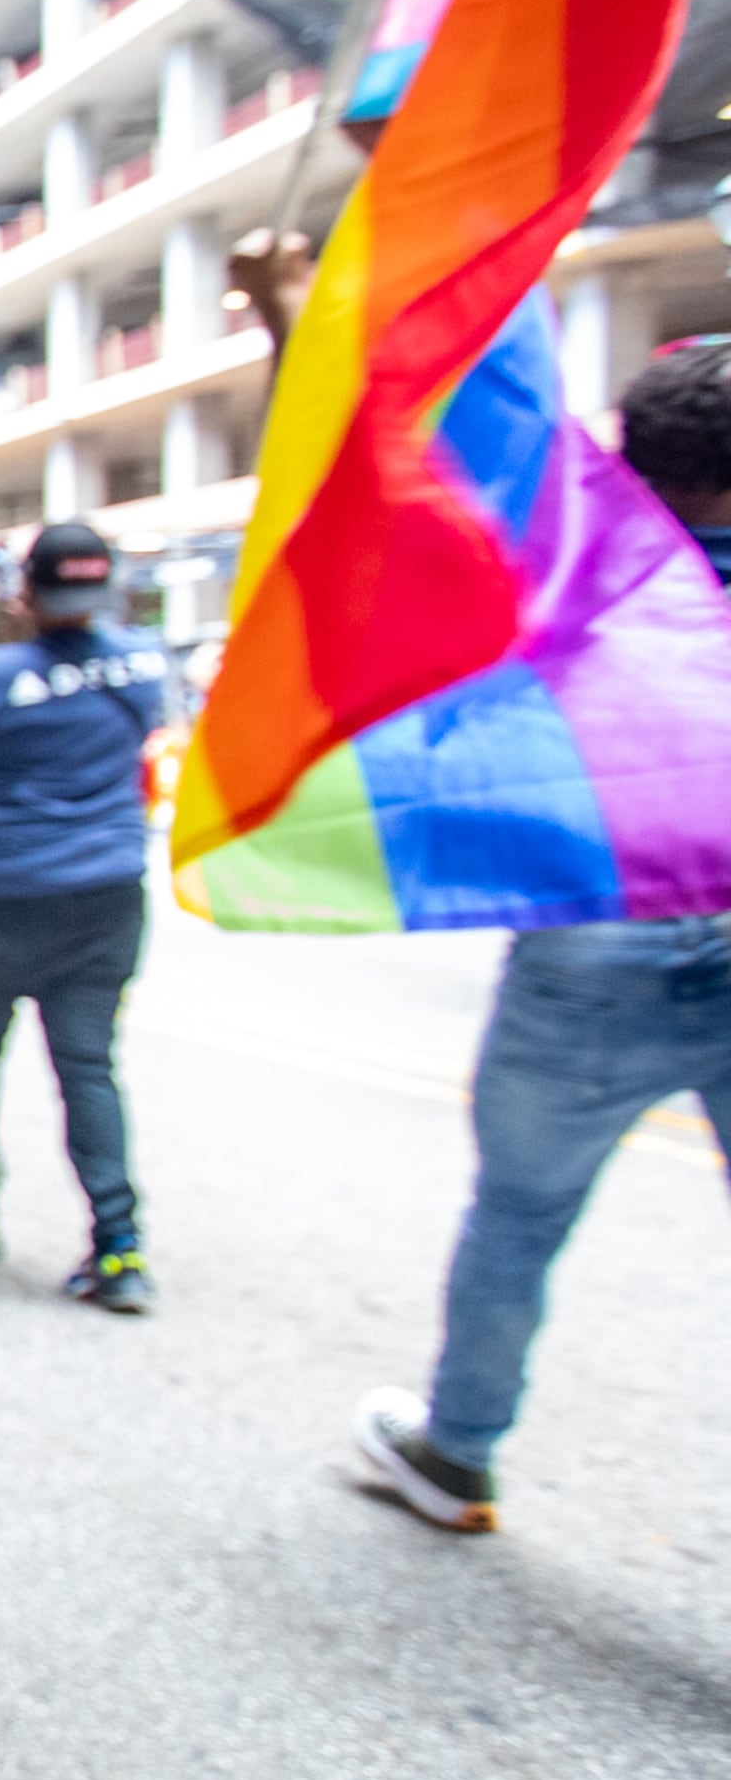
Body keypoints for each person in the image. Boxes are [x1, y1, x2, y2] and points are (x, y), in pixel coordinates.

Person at [354, 343, 731, 1529]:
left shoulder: (577, 575)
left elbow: (394, 489)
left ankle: (458, 1448)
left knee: (517, 1215)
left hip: (595, 941)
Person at [0, 523, 169, 1314]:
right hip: (108, 896)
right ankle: (119, 1247)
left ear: (27, 591)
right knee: (88, 1066)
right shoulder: (143, 665)